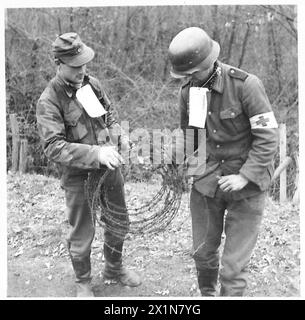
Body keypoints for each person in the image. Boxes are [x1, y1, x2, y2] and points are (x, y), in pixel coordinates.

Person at [168, 27, 279, 296]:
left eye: (194, 73)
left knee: (232, 269)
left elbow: (268, 136)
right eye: (186, 76)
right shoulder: (189, 92)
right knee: (202, 252)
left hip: (247, 187)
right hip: (207, 181)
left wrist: (245, 176)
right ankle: (206, 293)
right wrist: (172, 159)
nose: (191, 79)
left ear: (209, 62)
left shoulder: (245, 85)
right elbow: (191, 136)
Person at [36, 32, 141, 297]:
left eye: (84, 63)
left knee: (119, 221)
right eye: (75, 66)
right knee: (83, 232)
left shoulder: (91, 84)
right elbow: (53, 147)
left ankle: (114, 269)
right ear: (59, 64)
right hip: (78, 177)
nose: (83, 70)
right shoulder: (49, 100)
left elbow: (110, 115)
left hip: (109, 170)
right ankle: (83, 280)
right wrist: (96, 154)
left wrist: (120, 135)